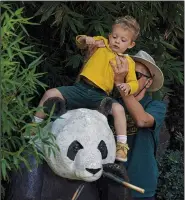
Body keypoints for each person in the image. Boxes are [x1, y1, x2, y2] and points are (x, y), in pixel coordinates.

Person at [33, 16, 140, 162]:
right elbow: (80, 41)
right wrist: (86, 40)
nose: (117, 41)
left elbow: (134, 83)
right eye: (115, 37)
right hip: (81, 88)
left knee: (119, 110)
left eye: (123, 40)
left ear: (131, 44)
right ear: (110, 36)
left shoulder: (128, 62)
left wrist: (128, 86)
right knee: (50, 93)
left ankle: (121, 145)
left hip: (100, 96)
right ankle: (34, 128)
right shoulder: (102, 44)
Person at [110, 50, 166, 200]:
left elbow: (142, 120)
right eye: (129, 73)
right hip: (110, 185)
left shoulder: (156, 106)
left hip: (139, 188)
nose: (131, 78)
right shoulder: (113, 106)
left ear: (149, 82)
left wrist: (121, 87)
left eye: (137, 75)